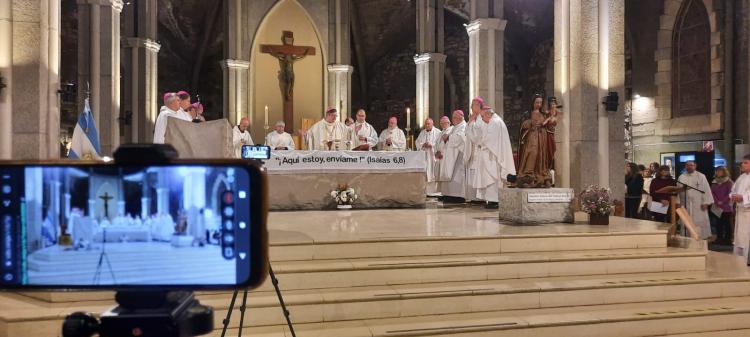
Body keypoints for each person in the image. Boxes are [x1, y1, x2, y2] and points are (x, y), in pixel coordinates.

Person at [466, 106, 516, 208]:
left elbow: (488, 140)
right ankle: (491, 200)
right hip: (489, 155)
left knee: (493, 178)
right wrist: (471, 124)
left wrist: (481, 143)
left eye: (483, 116)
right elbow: (479, 136)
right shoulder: (492, 122)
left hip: (493, 156)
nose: (483, 119)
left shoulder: (495, 122)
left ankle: (495, 201)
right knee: (489, 178)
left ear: (489, 114)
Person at [517, 94, 557, 188]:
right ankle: (528, 175)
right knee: (532, 153)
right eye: (537, 102)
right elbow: (523, 125)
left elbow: (549, 127)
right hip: (532, 138)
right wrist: (529, 123)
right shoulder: (527, 113)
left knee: (541, 156)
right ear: (533, 103)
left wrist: (551, 123)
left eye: (540, 102)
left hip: (542, 138)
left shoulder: (543, 114)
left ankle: (541, 177)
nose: (538, 104)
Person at [437, 110, 472, 203]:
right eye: (453, 117)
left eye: (455, 117)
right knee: (451, 175)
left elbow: (460, 138)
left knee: (457, 175)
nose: (453, 119)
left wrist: (448, 137)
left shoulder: (464, 126)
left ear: (461, 117)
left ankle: (458, 196)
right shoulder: (455, 127)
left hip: (458, 155)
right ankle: (450, 194)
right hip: (451, 154)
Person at [677, 160, 714, 240]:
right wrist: (678, 202)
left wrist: (706, 202)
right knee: (686, 221)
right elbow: (677, 190)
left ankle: (700, 237)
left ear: (695, 166)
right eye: (687, 165)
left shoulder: (701, 176)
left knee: (699, 220)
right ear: (685, 166)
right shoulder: (681, 177)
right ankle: (686, 237)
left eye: (691, 165)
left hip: (699, 203)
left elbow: (706, 189)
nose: (689, 167)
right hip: (685, 203)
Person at [731, 154, 750, 262]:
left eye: (745, 162)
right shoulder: (741, 177)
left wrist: (742, 198)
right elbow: (733, 190)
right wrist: (733, 196)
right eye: (742, 162)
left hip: (748, 212)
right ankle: (739, 263)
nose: (742, 164)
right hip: (740, 213)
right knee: (740, 239)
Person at [416, 118, 441, 196]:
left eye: (428, 124)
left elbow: (440, 144)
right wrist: (422, 145)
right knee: (426, 172)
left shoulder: (438, 132)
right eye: (426, 124)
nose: (427, 125)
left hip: (433, 156)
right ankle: (426, 191)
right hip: (425, 156)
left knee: (433, 172)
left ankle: (434, 192)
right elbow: (417, 142)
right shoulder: (422, 132)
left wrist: (432, 145)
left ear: (432, 124)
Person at [710, 166, 734, 244]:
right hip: (717, 206)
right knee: (718, 223)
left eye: (720, 171)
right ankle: (719, 238)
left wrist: (722, 201)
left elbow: (731, 193)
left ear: (724, 172)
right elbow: (712, 192)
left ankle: (727, 239)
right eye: (717, 171)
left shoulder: (729, 182)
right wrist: (717, 201)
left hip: (726, 206)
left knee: (727, 223)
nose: (718, 172)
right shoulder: (714, 182)